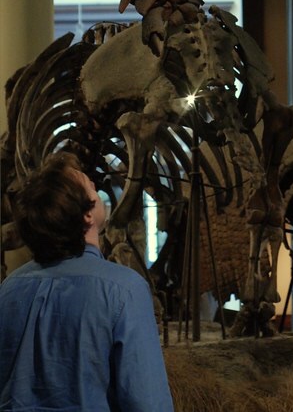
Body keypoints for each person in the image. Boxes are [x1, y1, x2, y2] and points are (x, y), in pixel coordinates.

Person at [0, 151, 174, 411]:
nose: (95, 183)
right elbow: (147, 402)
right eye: (90, 186)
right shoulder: (125, 290)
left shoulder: (9, 288)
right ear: (87, 215)